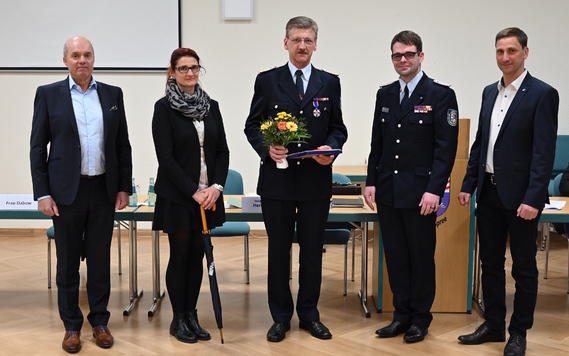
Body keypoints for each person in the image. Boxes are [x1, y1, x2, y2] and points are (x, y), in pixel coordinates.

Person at [244, 16, 347, 342]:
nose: (302, 45)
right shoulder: (268, 80)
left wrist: (331, 148)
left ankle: (309, 314)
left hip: (316, 181)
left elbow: (338, 128)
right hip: (278, 183)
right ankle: (280, 317)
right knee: (278, 251)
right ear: (286, 43)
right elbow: (252, 124)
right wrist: (266, 148)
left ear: (315, 44)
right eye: (296, 39)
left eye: (308, 40)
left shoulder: (329, 82)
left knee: (312, 250)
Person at [457, 27, 558, 356]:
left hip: (522, 200)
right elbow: (481, 143)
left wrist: (533, 198)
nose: (505, 57)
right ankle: (494, 324)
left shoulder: (542, 94)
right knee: (490, 263)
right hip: (488, 193)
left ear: (525, 53)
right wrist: (468, 185)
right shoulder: (489, 92)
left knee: (524, 268)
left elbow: (544, 154)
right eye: (500, 51)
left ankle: (519, 331)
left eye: (511, 51)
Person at [30, 36, 132, 353]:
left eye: (87, 54)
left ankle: (100, 323)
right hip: (65, 193)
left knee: (100, 262)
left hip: (102, 189)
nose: (82, 60)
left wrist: (123, 187)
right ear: (65, 61)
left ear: (93, 58)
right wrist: (43, 192)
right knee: (68, 265)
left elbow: (122, 146)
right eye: (75, 55)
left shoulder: (112, 94)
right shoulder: (48, 95)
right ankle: (71, 327)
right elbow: (37, 148)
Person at [363, 30, 459, 343]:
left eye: (408, 54)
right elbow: (377, 143)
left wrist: (435, 189)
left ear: (420, 56)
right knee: (395, 256)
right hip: (389, 190)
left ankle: (420, 318)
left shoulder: (441, 95)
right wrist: (371, 181)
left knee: (420, 257)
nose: (402, 60)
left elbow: (446, 150)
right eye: (397, 55)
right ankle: (400, 315)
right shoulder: (386, 94)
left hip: (421, 194)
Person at [151, 48, 229, 344]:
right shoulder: (163, 108)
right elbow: (166, 158)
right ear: (172, 72)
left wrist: (216, 188)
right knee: (181, 255)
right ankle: (178, 318)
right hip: (179, 196)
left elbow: (222, 151)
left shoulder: (212, 106)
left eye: (194, 68)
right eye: (183, 68)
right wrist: (194, 191)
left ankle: (192, 314)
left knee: (198, 255)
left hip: (208, 196)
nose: (190, 73)